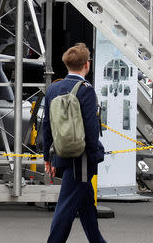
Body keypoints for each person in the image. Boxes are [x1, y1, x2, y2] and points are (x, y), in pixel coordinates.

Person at [42, 43, 107, 243]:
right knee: (67, 206)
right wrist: (95, 153)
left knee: (86, 204)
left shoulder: (53, 88)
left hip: (62, 153)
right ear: (86, 65)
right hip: (83, 158)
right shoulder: (86, 90)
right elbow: (90, 128)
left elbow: (46, 125)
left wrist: (48, 157)